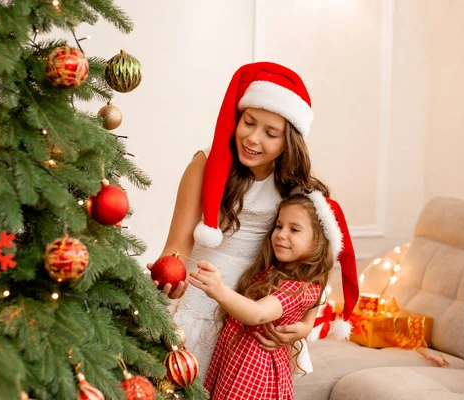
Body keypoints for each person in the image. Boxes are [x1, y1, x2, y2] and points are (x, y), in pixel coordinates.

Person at [150, 62, 359, 377]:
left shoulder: (294, 187)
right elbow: (177, 245)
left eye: (270, 133)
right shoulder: (205, 166)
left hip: (254, 312)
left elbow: (315, 264)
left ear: (289, 142)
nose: (252, 138)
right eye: (248, 123)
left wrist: (306, 322)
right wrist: (170, 279)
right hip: (199, 293)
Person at [189, 193, 341, 399]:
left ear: (317, 243)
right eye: (279, 226)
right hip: (236, 359)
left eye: (294, 229)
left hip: (254, 370)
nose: (281, 234)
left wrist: (219, 290)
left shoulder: (300, 288)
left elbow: (258, 314)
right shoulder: (274, 269)